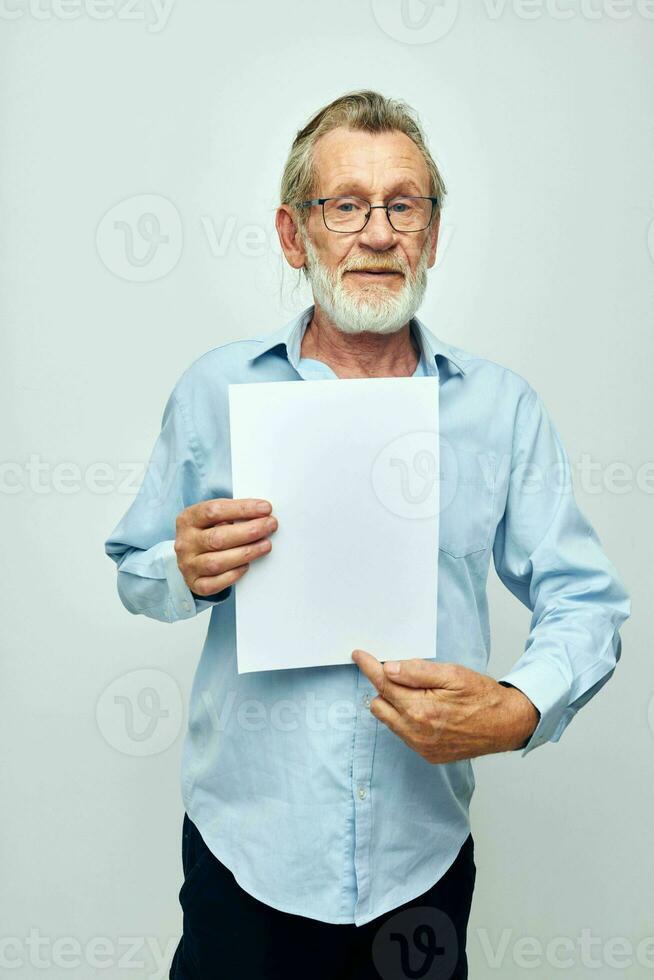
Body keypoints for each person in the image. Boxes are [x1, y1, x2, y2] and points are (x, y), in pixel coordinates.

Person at [104, 90, 631, 980]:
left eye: (404, 204)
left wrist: (522, 705)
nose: (378, 232)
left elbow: (586, 599)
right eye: (344, 205)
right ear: (291, 234)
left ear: (432, 232)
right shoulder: (215, 391)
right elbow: (134, 569)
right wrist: (182, 567)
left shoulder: (501, 410)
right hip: (244, 858)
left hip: (417, 866)